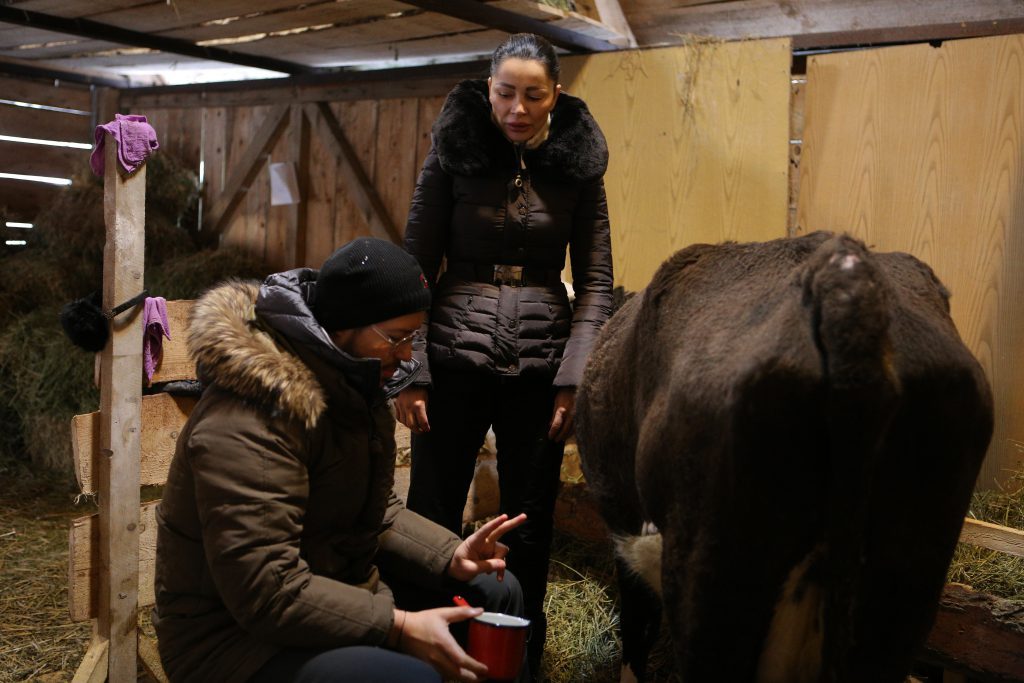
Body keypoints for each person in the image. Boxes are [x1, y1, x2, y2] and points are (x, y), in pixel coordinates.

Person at [153, 238, 530, 683]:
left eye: (413, 337)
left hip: (329, 586)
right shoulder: (253, 416)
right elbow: (267, 591)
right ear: (345, 324)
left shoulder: (350, 381)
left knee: (497, 591)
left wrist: (449, 554)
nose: (406, 355)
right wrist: (397, 626)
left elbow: (375, 511)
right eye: (396, 337)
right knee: (409, 679)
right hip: (232, 642)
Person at [395, 32, 614, 678]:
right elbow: (415, 266)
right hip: (452, 359)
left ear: (556, 96)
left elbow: (596, 282)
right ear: (488, 90)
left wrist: (574, 380)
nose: (517, 108)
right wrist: (412, 369)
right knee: (432, 513)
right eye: (505, 93)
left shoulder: (578, 167)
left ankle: (520, 658)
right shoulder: (454, 151)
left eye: (533, 95)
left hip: (541, 367)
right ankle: (425, 649)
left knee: (531, 519)